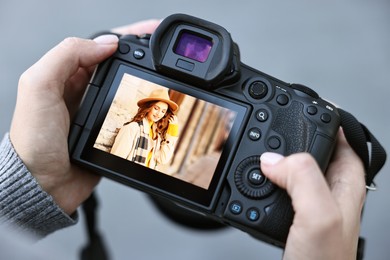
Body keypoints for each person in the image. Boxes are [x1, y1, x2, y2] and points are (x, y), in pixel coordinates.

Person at [0, 18, 366, 260]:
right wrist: (35, 181)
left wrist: (31, 186)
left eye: (165, 111)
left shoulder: (161, 137)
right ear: (145, 110)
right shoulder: (129, 130)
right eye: (156, 109)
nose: (161, 114)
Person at [110, 88, 179, 169]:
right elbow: (115, 161)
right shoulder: (132, 128)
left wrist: (172, 132)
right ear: (149, 107)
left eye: (163, 111)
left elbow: (163, 159)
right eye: (156, 108)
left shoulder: (156, 134)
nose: (159, 114)